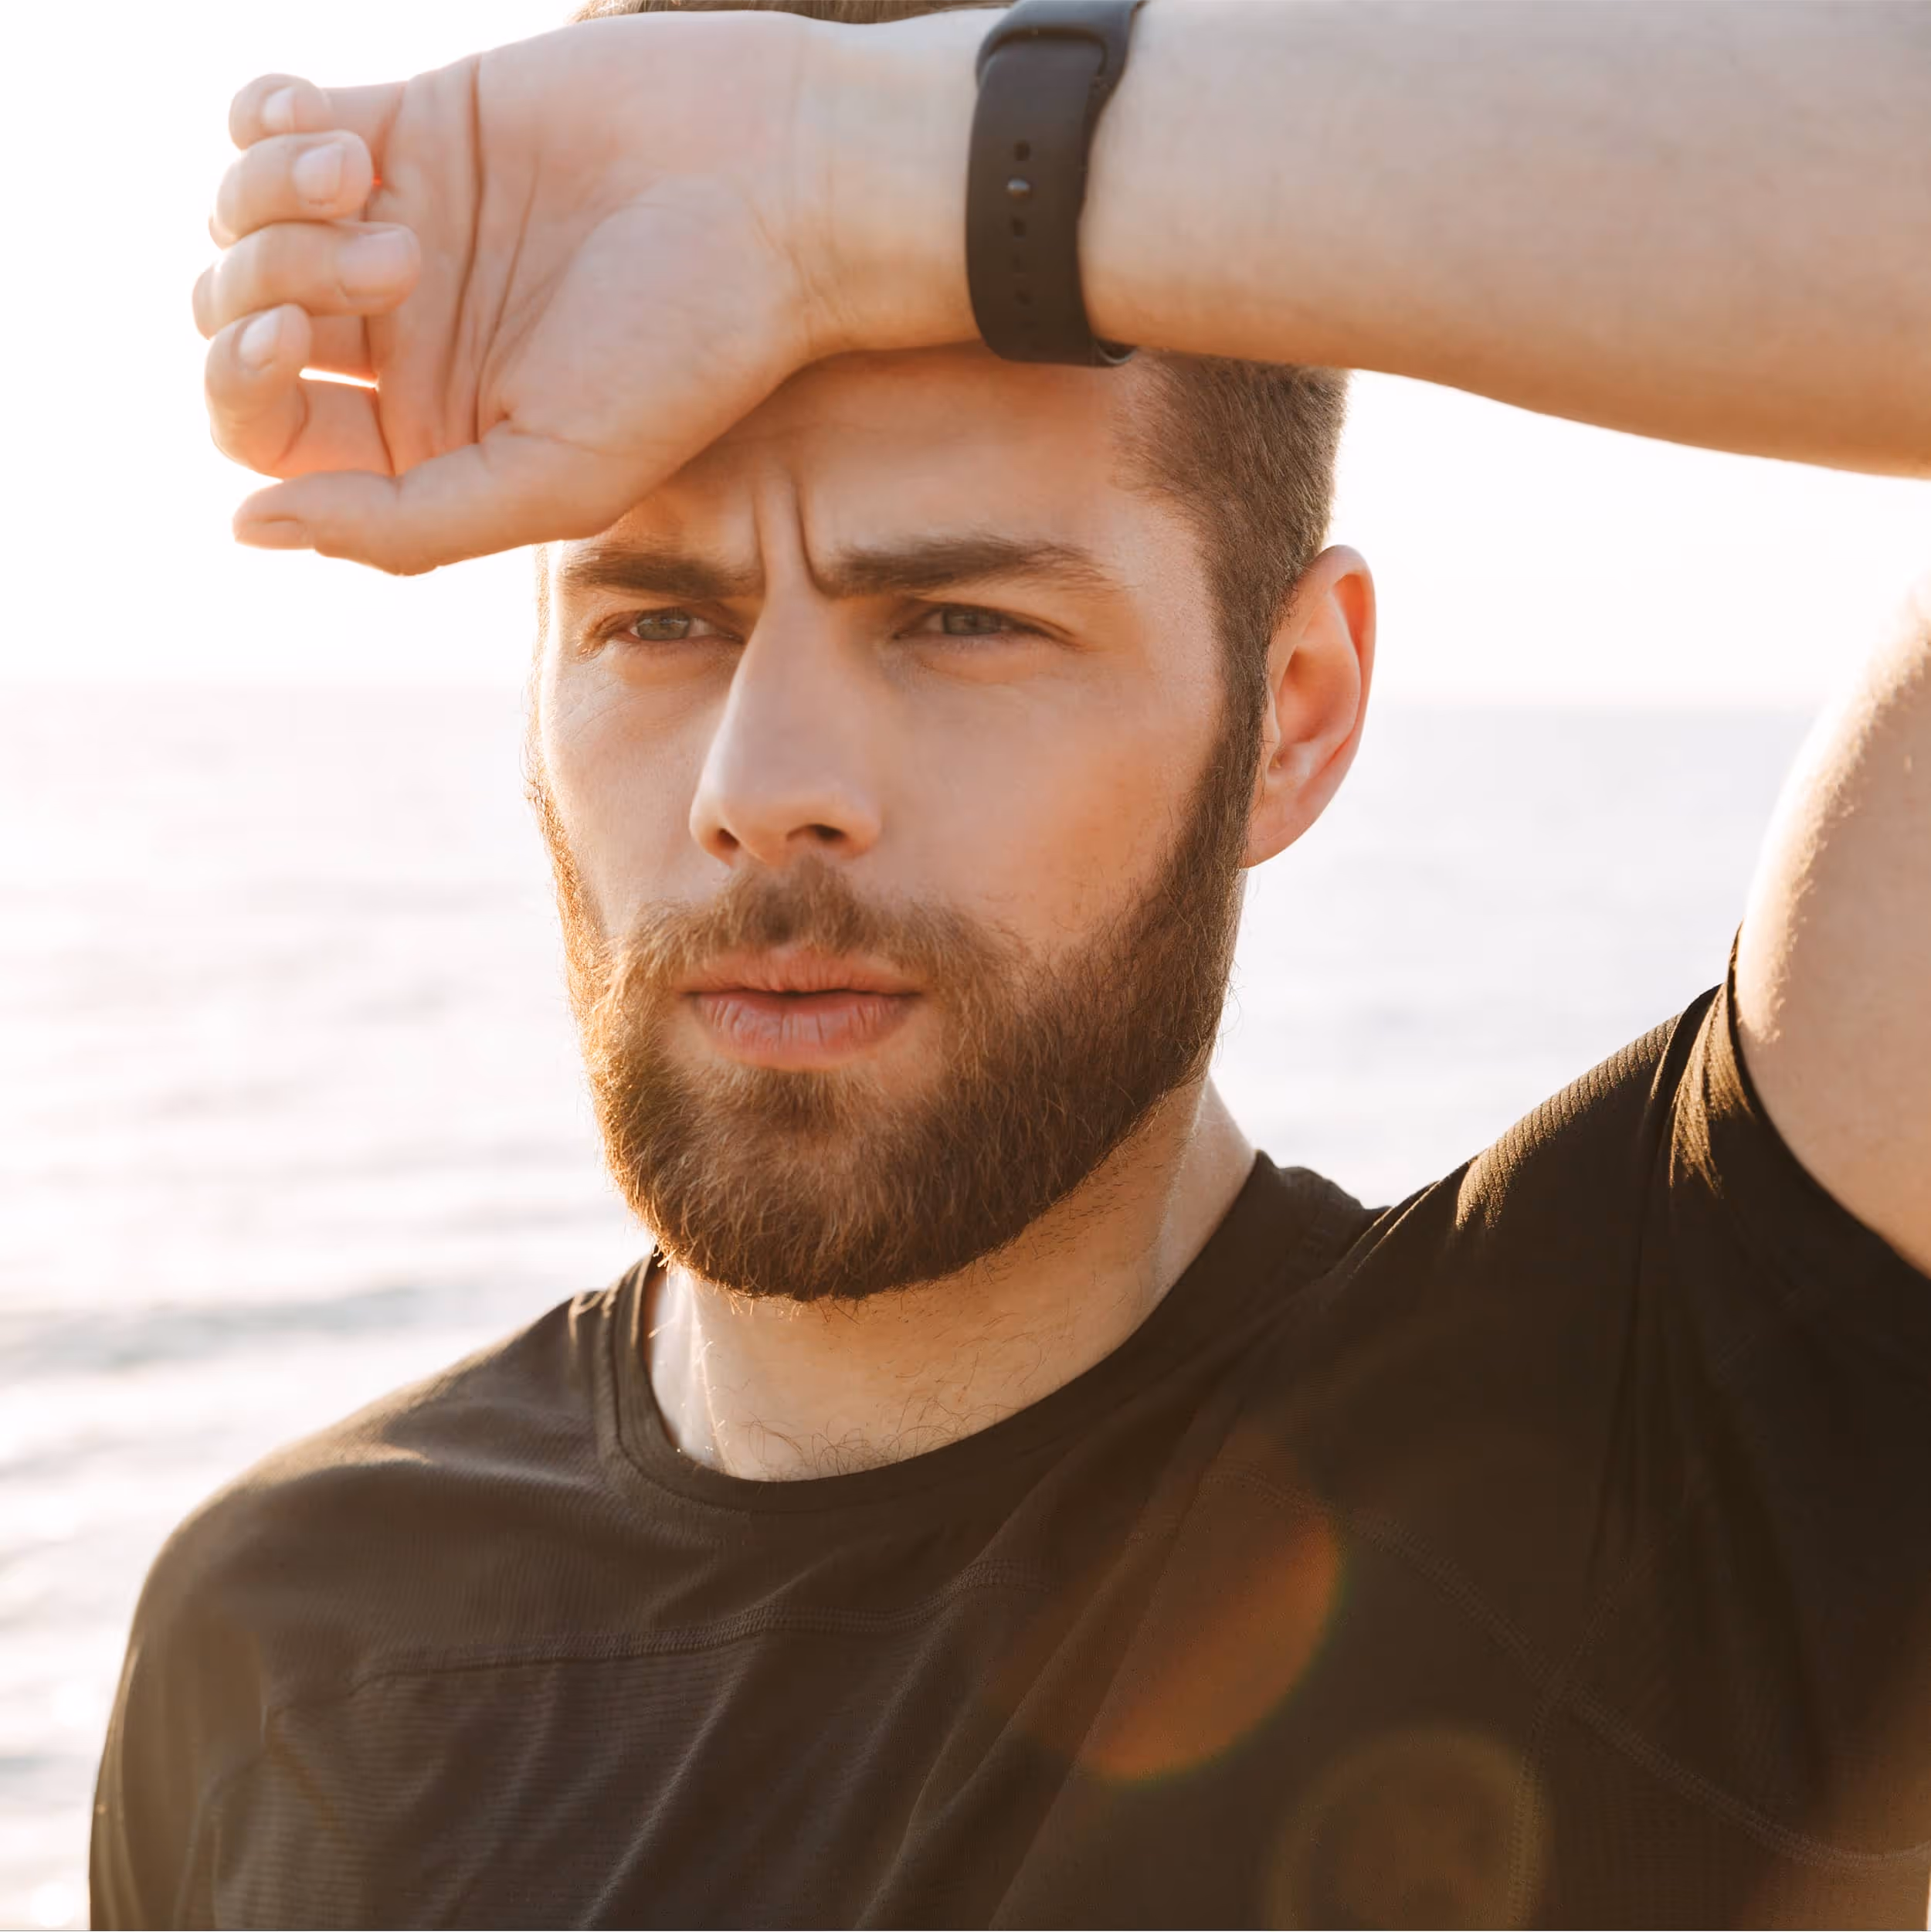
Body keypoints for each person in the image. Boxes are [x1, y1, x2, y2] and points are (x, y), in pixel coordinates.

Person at [96, 0, 1931, 1923]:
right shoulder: (279, 1637)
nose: (762, 788)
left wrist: (851, 179)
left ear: (1291, 709)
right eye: (657, 620)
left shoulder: (1657, 1447)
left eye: (956, 618)